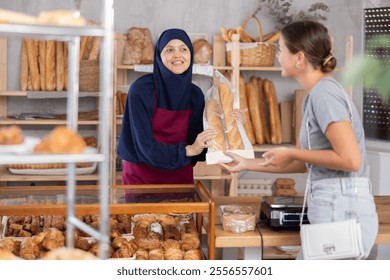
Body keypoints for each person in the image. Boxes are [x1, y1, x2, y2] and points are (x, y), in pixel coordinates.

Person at [219, 20, 378, 259]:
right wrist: (246, 163)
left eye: (281, 50)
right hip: (333, 211)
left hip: (342, 212)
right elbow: (307, 163)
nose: (278, 57)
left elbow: (350, 159)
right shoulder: (315, 95)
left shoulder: (325, 94)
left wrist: (293, 152)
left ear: (299, 58)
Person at [117, 28, 218, 187]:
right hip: (141, 179)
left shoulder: (195, 95)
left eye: (183, 49)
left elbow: (199, 147)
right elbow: (144, 147)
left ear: (190, 55)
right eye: (169, 50)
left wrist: (230, 122)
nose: (177, 55)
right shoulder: (141, 90)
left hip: (179, 179)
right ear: (159, 56)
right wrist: (188, 151)